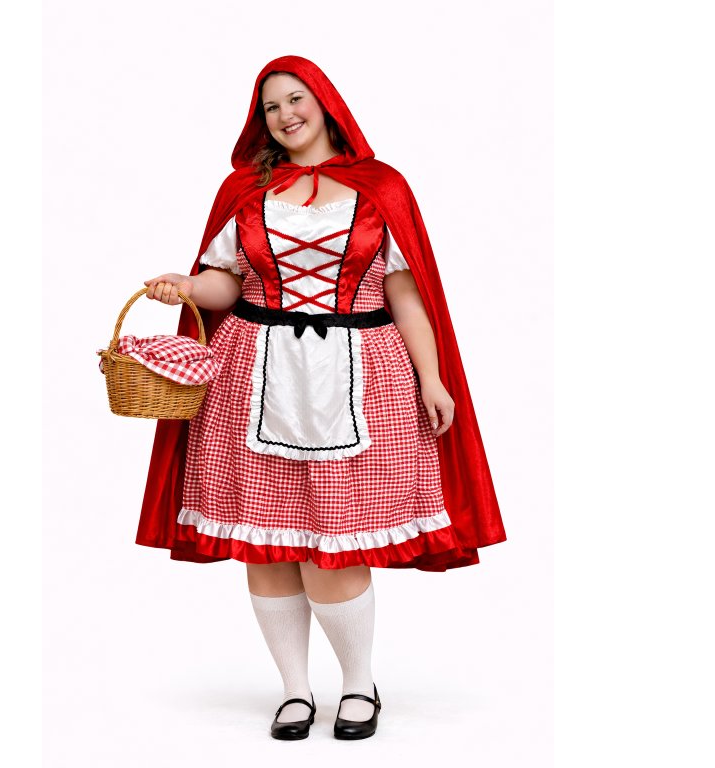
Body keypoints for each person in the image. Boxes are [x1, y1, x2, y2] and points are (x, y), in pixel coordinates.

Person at [137, 55, 506, 741]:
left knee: (337, 540)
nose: (285, 115)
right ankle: (295, 690)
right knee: (269, 545)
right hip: (254, 376)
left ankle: (359, 683)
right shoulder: (246, 190)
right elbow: (226, 282)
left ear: (326, 104)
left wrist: (432, 377)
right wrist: (186, 287)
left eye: (296, 99)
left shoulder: (382, 186)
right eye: (271, 107)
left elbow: (405, 292)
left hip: (362, 376)